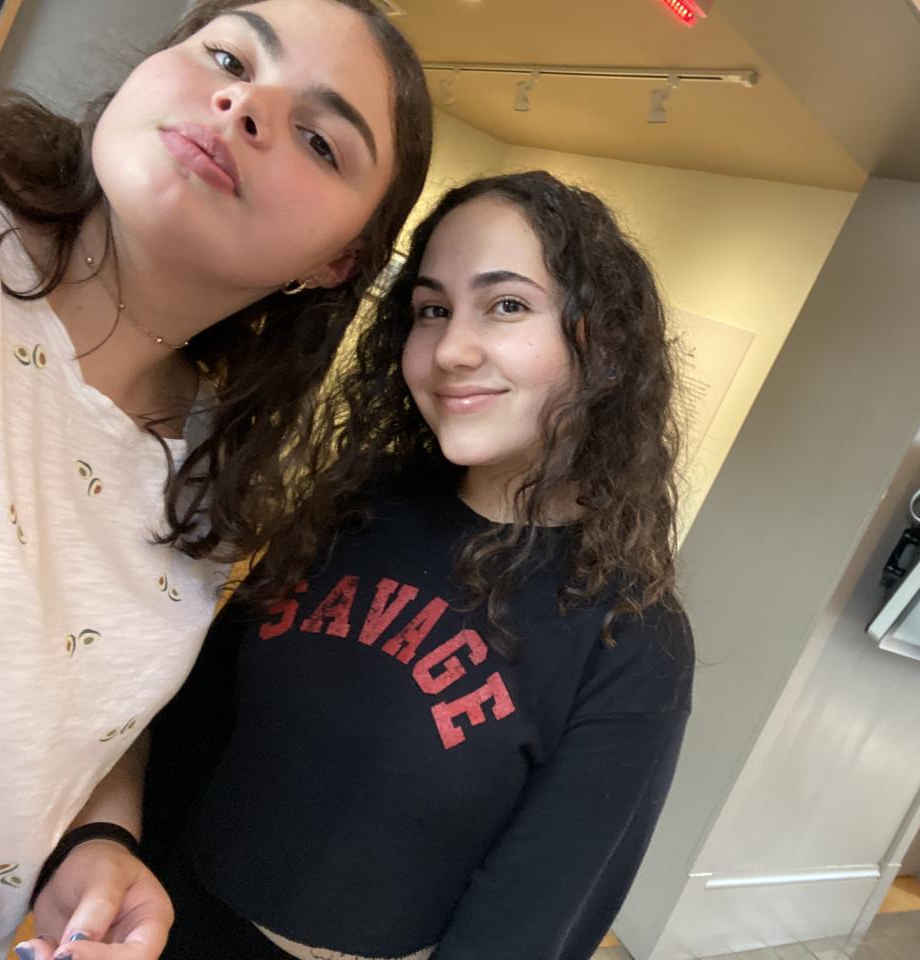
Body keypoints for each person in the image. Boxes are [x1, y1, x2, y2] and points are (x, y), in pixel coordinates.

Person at [0, 2, 432, 958]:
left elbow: (86, 696)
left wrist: (99, 840)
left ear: (336, 263)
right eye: (227, 56)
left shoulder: (216, 474)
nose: (244, 105)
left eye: (319, 140)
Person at [138, 170, 695, 960]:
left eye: (507, 305)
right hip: (165, 922)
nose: (451, 350)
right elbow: (193, 731)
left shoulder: (631, 637)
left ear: (601, 342)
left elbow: (530, 919)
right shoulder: (353, 509)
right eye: (432, 310)